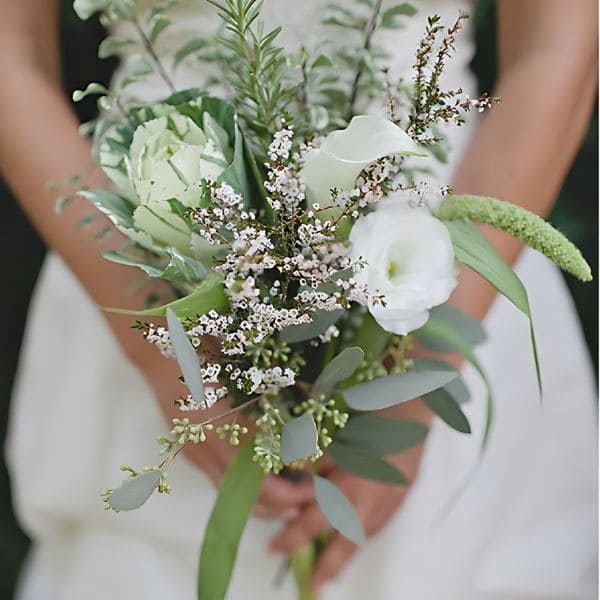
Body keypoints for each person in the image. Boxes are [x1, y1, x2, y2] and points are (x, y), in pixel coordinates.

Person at [1, 0, 597, 598]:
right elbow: (11, 51)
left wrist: (422, 378)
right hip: (145, 265)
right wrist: (164, 348)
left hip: (442, 265)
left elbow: (559, 45)